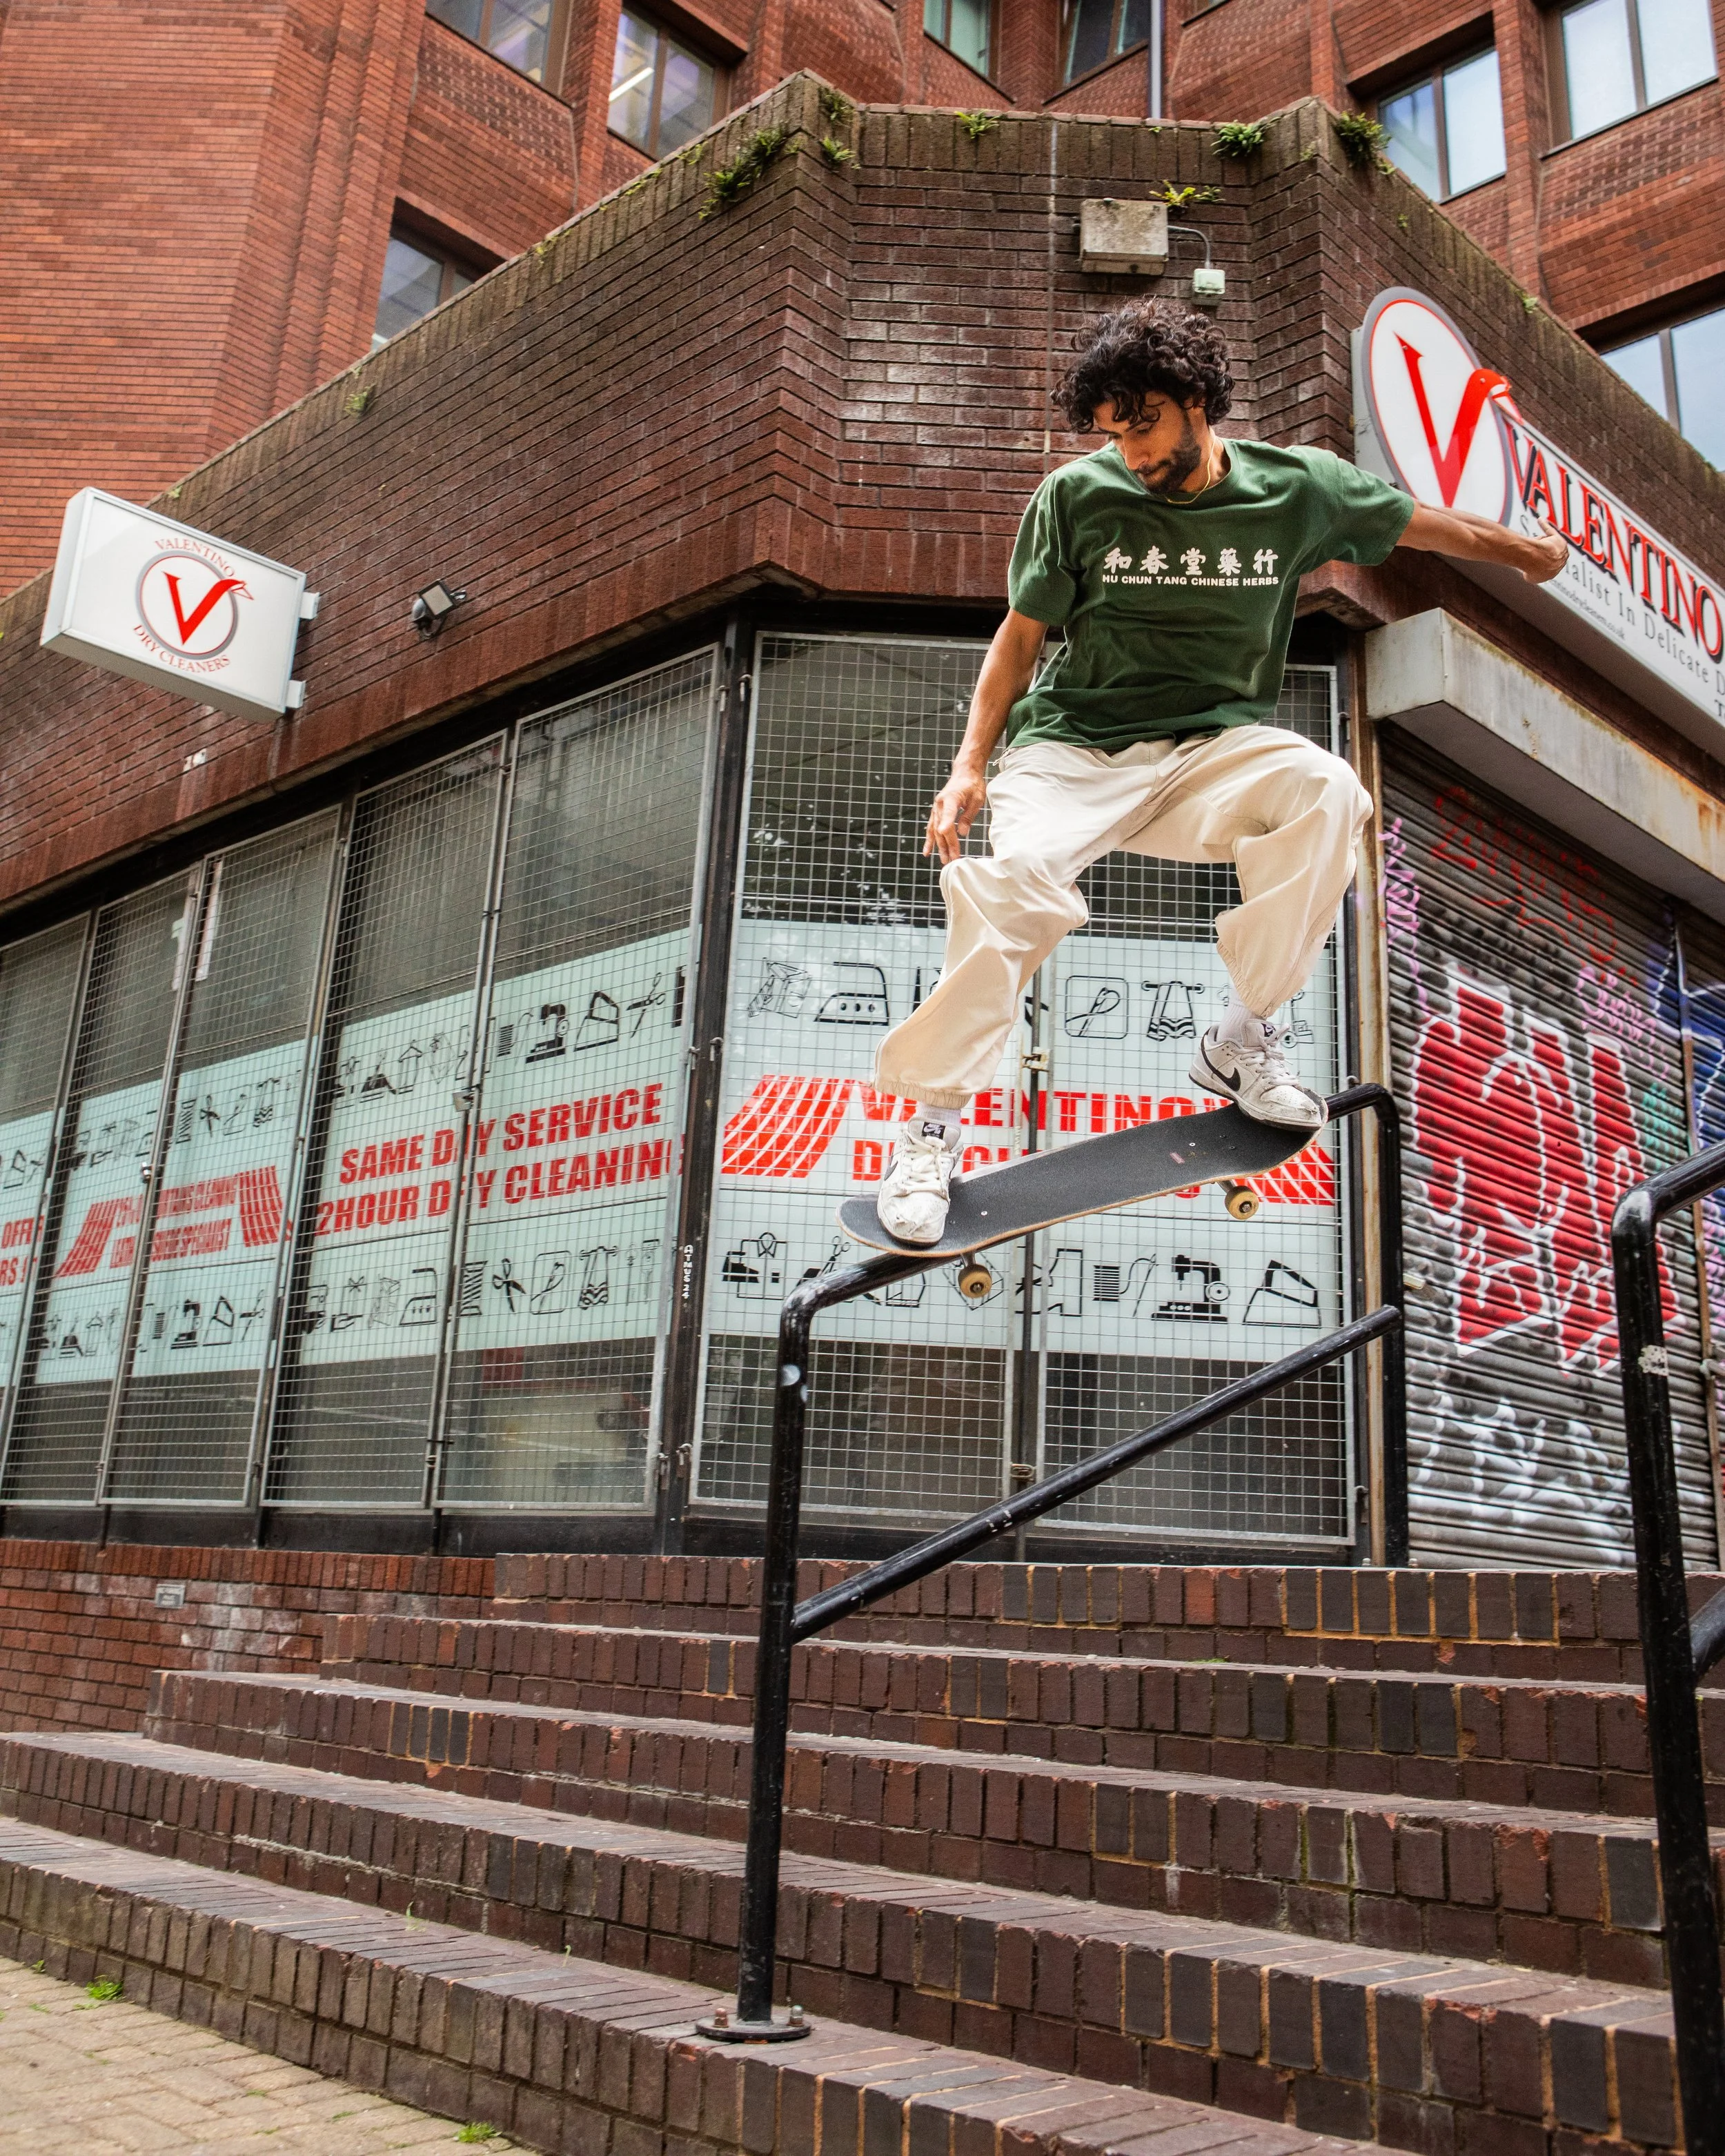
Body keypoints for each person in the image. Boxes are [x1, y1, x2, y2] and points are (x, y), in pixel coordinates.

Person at [873, 299, 1568, 1246]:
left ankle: (1240, 1041)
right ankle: (929, 1131)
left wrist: (1525, 549)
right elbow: (1019, 638)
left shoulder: (1299, 489)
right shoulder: (1075, 499)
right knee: (1011, 889)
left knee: (1328, 792)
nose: (1131, 455)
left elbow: (1415, 524)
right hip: (1069, 752)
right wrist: (969, 768)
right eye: (1114, 436)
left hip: (1206, 755)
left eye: (1144, 425)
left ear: (1198, 398)